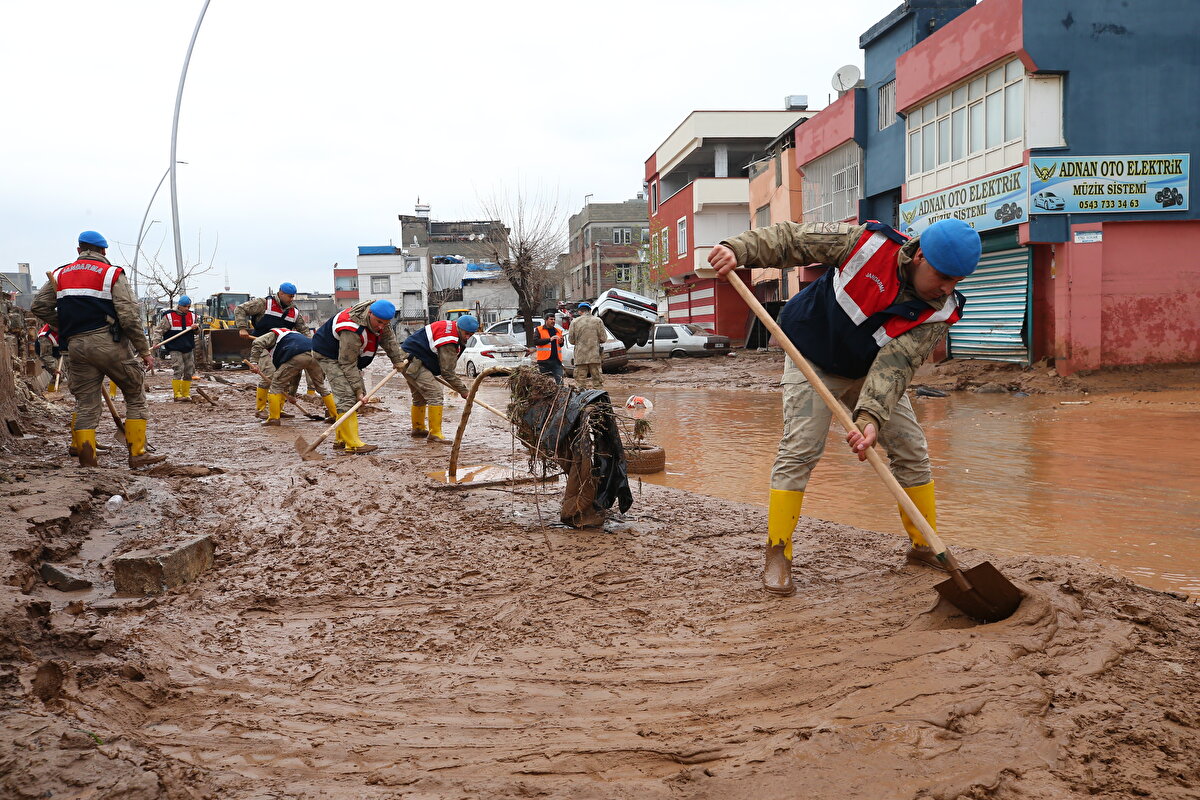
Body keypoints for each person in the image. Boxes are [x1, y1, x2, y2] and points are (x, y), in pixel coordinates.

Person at [707, 217, 981, 596]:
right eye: (944, 277)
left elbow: (896, 364)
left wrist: (870, 418)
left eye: (957, 281)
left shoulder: (941, 309)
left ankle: (924, 546)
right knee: (800, 449)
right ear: (919, 256)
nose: (947, 288)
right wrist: (738, 249)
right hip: (810, 354)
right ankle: (778, 552)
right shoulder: (866, 243)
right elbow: (793, 240)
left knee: (912, 450)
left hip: (869, 370)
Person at [31, 230, 167, 468]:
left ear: (79, 250)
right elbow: (129, 316)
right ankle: (138, 454)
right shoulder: (112, 273)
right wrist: (144, 350)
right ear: (104, 251)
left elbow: (39, 306)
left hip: (75, 345)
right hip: (108, 344)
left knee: (85, 403)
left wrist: (66, 325)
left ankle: (87, 459)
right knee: (134, 393)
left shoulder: (60, 274)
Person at [311, 299, 408, 453]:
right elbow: (347, 363)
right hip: (328, 354)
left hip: (347, 357)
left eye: (385, 323)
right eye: (379, 322)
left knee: (354, 395)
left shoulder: (382, 321)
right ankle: (353, 444)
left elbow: (389, 340)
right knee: (347, 395)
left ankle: (341, 439)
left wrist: (398, 361)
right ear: (370, 313)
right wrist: (358, 390)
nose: (381, 327)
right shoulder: (352, 328)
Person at [235, 283, 308, 419]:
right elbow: (240, 309)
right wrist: (242, 327)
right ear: (281, 293)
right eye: (289, 296)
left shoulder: (294, 312)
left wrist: (310, 344)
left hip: (282, 348)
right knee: (269, 375)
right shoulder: (264, 304)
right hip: (262, 344)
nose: (291, 299)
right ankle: (260, 409)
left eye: (293, 296)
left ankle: (278, 409)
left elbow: (303, 330)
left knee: (284, 376)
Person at [400, 314, 474, 443]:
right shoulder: (449, 340)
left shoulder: (451, 327)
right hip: (413, 361)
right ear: (459, 328)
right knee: (435, 394)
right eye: (466, 334)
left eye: (471, 335)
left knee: (420, 396)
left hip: (410, 355)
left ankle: (418, 429)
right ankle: (435, 434)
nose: (468, 337)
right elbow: (447, 372)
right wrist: (464, 391)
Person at [248, 328, 337, 426]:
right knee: (320, 386)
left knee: (276, 386)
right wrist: (292, 395)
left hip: (297, 354)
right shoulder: (294, 337)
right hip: (315, 354)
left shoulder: (275, 334)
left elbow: (257, 342)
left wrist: (254, 362)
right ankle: (334, 416)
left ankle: (273, 418)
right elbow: (296, 374)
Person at [157, 295, 198, 402]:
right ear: (179, 306)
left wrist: (196, 328)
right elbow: (159, 330)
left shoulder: (192, 316)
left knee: (189, 371)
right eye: (185, 306)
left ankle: (186, 393)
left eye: (189, 306)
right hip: (174, 347)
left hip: (188, 347)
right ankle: (177, 394)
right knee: (178, 369)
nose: (187, 309)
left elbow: (197, 332)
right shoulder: (169, 316)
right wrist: (156, 342)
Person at [566, 302, 608, 389]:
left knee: (580, 384)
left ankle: (582, 397)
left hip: (580, 357)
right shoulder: (598, 321)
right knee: (598, 382)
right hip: (595, 356)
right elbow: (603, 338)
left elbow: (571, 340)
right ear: (590, 310)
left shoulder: (575, 322)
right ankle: (599, 396)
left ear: (579, 311)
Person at [529, 317, 565, 384]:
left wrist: (561, 341)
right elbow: (535, 341)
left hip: (556, 360)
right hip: (544, 361)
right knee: (544, 383)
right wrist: (549, 339)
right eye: (551, 319)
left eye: (554, 319)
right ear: (546, 320)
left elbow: (561, 344)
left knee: (560, 382)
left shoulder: (558, 331)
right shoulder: (539, 329)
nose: (553, 321)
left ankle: (560, 390)